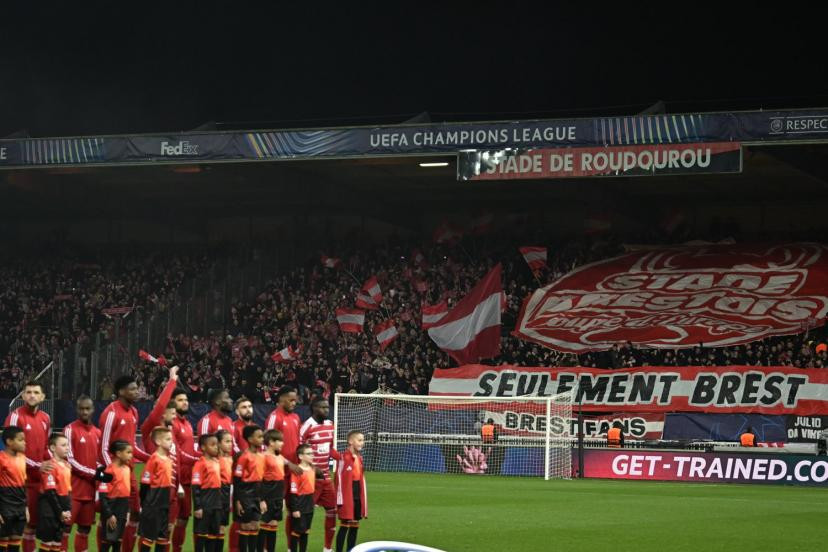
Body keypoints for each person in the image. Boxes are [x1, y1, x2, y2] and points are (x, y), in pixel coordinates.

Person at [99, 374, 153, 552]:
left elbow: (132, 448)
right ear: (121, 391)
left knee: (135, 511)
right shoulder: (110, 412)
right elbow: (103, 447)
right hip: (112, 475)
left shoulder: (134, 412)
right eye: (132, 389)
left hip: (128, 473)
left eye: (137, 388)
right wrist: (111, 473)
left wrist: (149, 458)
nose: (137, 392)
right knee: (109, 516)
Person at [4, 381, 51, 552]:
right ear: (23, 396)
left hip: (39, 481)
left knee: (32, 526)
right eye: (28, 392)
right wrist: (38, 465)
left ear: (42, 397)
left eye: (36, 392)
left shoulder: (46, 418)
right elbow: (11, 452)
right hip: (17, 482)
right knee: (17, 528)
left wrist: (56, 463)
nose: (32, 395)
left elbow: (46, 448)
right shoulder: (16, 416)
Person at [265, 386, 303, 549]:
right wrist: (288, 463)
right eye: (291, 399)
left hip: (293, 473)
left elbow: (297, 442)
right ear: (281, 399)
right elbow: (267, 448)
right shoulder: (274, 417)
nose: (294, 403)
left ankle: (290, 547)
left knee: (293, 512)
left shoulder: (295, 417)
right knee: (272, 516)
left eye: (295, 400)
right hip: (277, 474)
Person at [299, 398, 339, 552]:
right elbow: (299, 452)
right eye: (323, 408)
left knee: (332, 511)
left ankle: (327, 549)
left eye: (327, 407)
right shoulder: (306, 427)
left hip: (326, 479)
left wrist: (341, 458)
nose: (327, 410)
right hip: (310, 479)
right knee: (305, 515)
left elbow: (329, 448)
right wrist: (312, 468)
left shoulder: (330, 425)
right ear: (314, 408)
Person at [64, 396, 101, 552]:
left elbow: (99, 460)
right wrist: (93, 473)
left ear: (93, 410)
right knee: (65, 529)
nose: (85, 412)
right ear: (77, 409)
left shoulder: (98, 432)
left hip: (91, 492)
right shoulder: (69, 429)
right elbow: (69, 459)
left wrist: (100, 472)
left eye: (88, 409)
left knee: (85, 530)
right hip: (72, 490)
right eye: (81, 408)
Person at [138, 427, 174, 552]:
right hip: (152, 505)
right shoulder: (154, 459)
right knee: (149, 537)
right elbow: (144, 484)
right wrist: (144, 504)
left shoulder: (169, 459)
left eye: (171, 439)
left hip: (163, 505)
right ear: (158, 442)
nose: (171, 442)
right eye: (168, 439)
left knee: (162, 538)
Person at [171, 388, 198, 552]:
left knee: (183, 519)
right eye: (181, 400)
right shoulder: (171, 423)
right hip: (174, 480)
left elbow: (191, 450)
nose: (185, 402)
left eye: (186, 400)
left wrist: (205, 455)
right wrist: (198, 459)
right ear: (173, 402)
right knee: (168, 522)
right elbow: (177, 452)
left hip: (188, 481)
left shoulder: (187, 424)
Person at [234, 425, 266, 552]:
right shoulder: (244, 457)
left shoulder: (262, 456)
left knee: (255, 525)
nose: (262, 439)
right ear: (250, 439)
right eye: (259, 437)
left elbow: (262, 479)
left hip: (257, 493)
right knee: (246, 526)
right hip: (245, 493)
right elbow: (237, 480)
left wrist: (262, 499)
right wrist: (238, 501)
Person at [36, 435, 71, 552]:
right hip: (49, 510)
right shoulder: (50, 466)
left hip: (61, 509)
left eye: (67, 445)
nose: (67, 448)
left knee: (57, 542)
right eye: (63, 445)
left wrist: (67, 509)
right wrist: (60, 511)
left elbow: (68, 490)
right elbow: (50, 492)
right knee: (48, 542)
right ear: (52, 448)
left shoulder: (67, 465)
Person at [98, 441, 133, 552]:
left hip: (122, 508)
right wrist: (109, 515)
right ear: (118, 453)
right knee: (107, 541)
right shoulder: (109, 471)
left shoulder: (127, 469)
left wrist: (127, 511)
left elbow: (127, 493)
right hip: (111, 509)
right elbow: (102, 496)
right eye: (128, 452)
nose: (131, 455)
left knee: (118, 542)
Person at [335, 431, 367, 552]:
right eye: (359, 440)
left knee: (354, 525)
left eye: (363, 440)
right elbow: (338, 478)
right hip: (348, 494)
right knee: (344, 525)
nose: (362, 443)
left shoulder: (359, 458)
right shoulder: (344, 457)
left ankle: (350, 549)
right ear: (350, 441)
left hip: (357, 493)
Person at [191, 434, 223, 552]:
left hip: (216, 504)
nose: (216, 447)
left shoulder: (216, 462)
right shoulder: (200, 464)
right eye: (212, 445)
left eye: (217, 444)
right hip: (205, 505)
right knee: (201, 536)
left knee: (213, 535)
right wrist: (198, 506)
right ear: (203, 447)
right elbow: (195, 486)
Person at [0, 426, 28, 552]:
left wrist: (25, 507)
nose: (24, 442)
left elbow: (23, 483)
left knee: (15, 543)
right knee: (3, 543)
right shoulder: (1, 459)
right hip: (5, 506)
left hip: (20, 507)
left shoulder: (23, 458)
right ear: (9, 442)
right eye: (20, 440)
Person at [288, 445, 316, 552]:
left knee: (306, 531)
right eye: (308, 454)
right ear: (300, 456)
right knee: (297, 531)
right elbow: (293, 490)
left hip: (309, 503)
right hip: (299, 503)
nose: (312, 455)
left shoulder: (313, 469)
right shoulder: (297, 470)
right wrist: (295, 509)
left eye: (312, 453)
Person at [260, 430, 285, 552]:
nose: (282, 443)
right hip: (267, 496)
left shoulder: (280, 457)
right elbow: (258, 480)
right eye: (279, 440)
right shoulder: (263, 457)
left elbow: (281, 479)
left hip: (277, 496)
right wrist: (261, 500)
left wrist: (283, 498)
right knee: (264, 524)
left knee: (274, 524)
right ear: (271, 442)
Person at [214, 430, 233, 551]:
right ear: (219, 443)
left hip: (226, 495)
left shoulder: (231, 459)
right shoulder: (214, 460)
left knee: (222, 528)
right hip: (215, 495)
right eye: (227, 441)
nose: (230, 444)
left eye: (231, 441)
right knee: (213, 528)